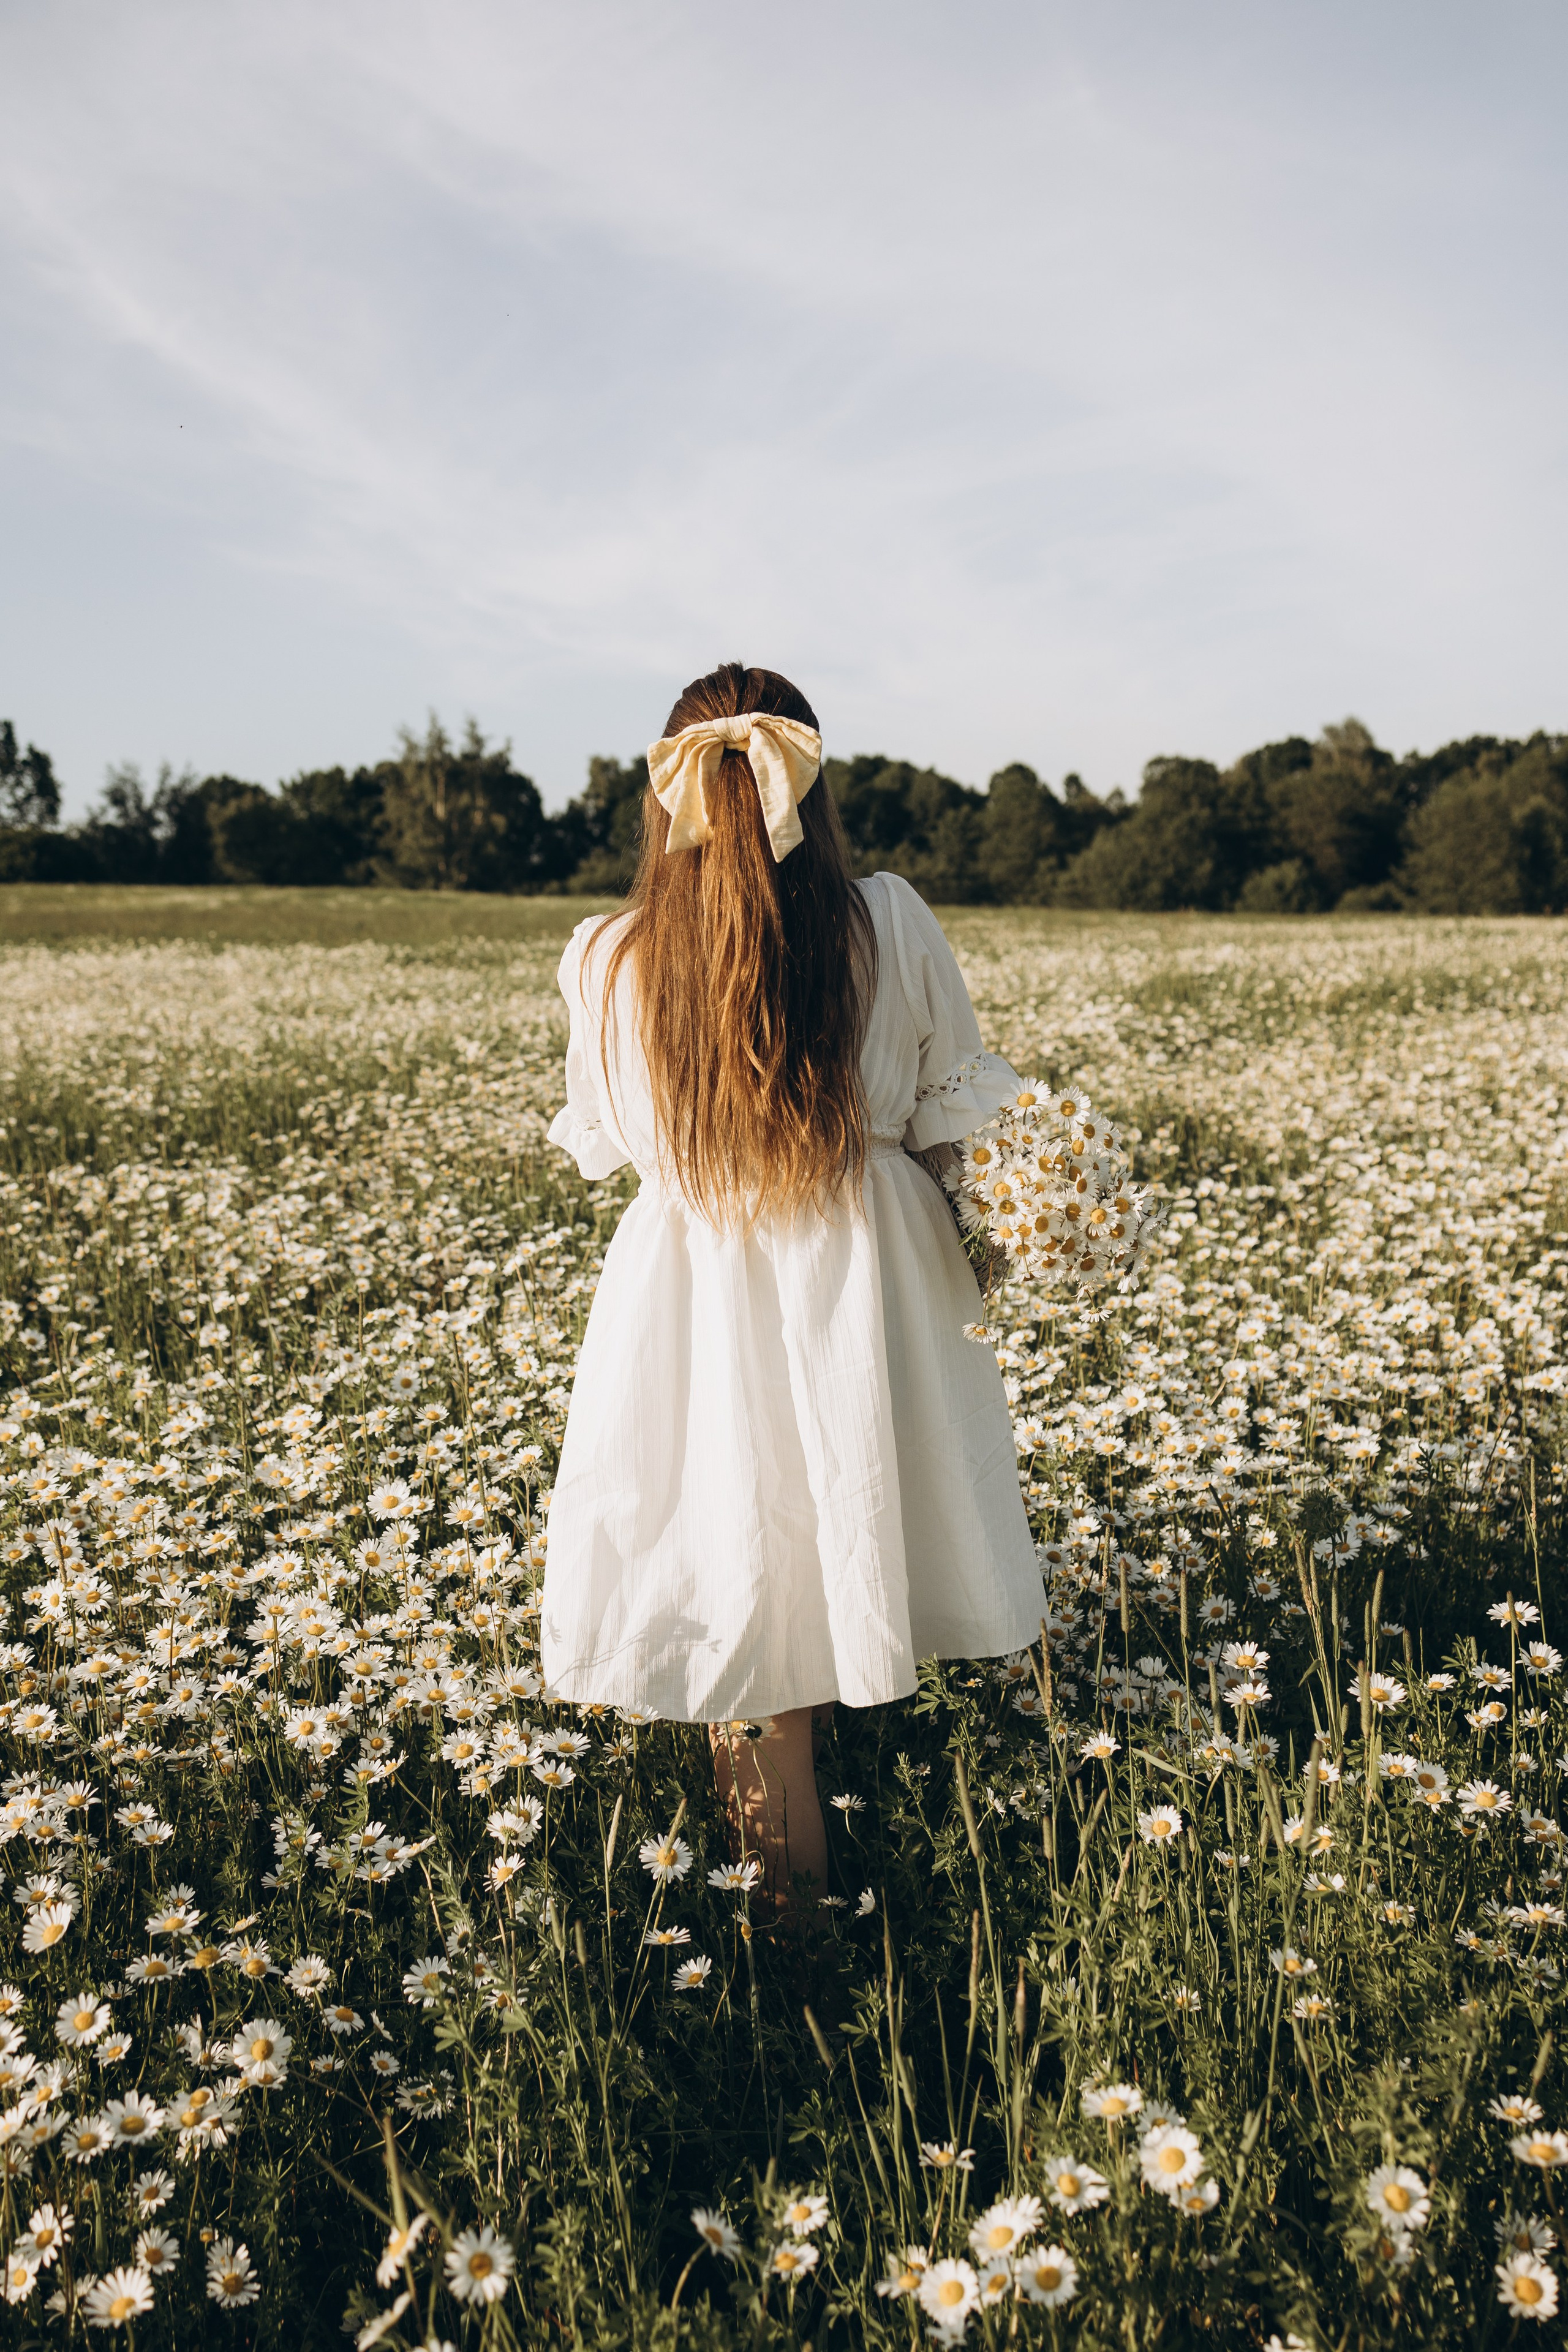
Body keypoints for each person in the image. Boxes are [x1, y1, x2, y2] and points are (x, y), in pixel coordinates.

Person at [543, 662, 1042, 1904]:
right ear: (810, 789)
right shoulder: (886, 918)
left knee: (734, 1566)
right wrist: (998, 1235)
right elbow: (946, 1121)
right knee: (856, 1526)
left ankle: (789, 1929)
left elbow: (608, 1134)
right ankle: (846, 1921)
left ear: (664, 799)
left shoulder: (610, 959)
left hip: (691, 1301)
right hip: (868, 1284)